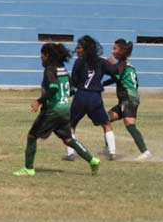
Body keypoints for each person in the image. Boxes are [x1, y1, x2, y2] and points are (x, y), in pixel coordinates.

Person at [14, 43, 100, 177]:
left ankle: (28, 169)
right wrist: (62, 98)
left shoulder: (50, 70)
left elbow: (53, 87)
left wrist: (39, 101)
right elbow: (72, 90)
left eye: (42, 55)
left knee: (32, 136)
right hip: (65, 109)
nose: (41, 58)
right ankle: (92, 160)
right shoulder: (63, 69)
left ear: (47, 55)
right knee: (68, 139)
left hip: (53, 110)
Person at [63, 36, 118, 162]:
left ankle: (71, 154)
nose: (77, 50)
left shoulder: (79, 62)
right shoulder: (102, 62)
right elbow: (116, 72)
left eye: (79, 47)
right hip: (95, 97)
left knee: (70, 125)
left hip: (81, 96)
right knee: (106, 124)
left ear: (85, 49)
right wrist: (113, 63)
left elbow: (75, 81)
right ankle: (112, 152)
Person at [104, 39, 152, 161]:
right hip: (126, 98)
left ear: (121, 51)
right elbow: (118, 78)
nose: (112, 50)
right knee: (105, 119)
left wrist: (109, 65)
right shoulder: (126, 64)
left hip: (128, 98)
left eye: (114, 48)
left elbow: (115, 75)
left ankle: (145, 152)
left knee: (130, 125)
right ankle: (109, 148)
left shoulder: (121, 64)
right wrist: (101, 84)